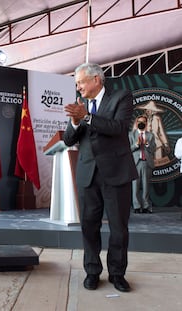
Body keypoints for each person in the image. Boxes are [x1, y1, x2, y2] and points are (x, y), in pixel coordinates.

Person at [63, 63, 138, 293]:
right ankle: (92, 272)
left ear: (96, 79)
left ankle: (117, 274)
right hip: (88, 175)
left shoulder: (121, 97)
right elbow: (68, 140)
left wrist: (87, 117)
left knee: (118, 228)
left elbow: (118, 127)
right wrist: (76, 121)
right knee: (88, 226)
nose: (78, 87)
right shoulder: (80, 108)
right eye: (76, 83)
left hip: (116, 172)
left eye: (81, 82)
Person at [129, 115, 156, 213]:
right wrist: (136, 144)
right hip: (135, 163)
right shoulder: (131, 135)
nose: (141, 123)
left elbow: (153, 150)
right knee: (135, 186)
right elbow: (128, 149)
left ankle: (146, 206)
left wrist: (147, 144)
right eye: (139, 121)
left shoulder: (150, 135)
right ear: (136, 123)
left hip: (146, 163)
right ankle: (136, 206)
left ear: (146, 123)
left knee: (146, 186)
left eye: (143, 122)